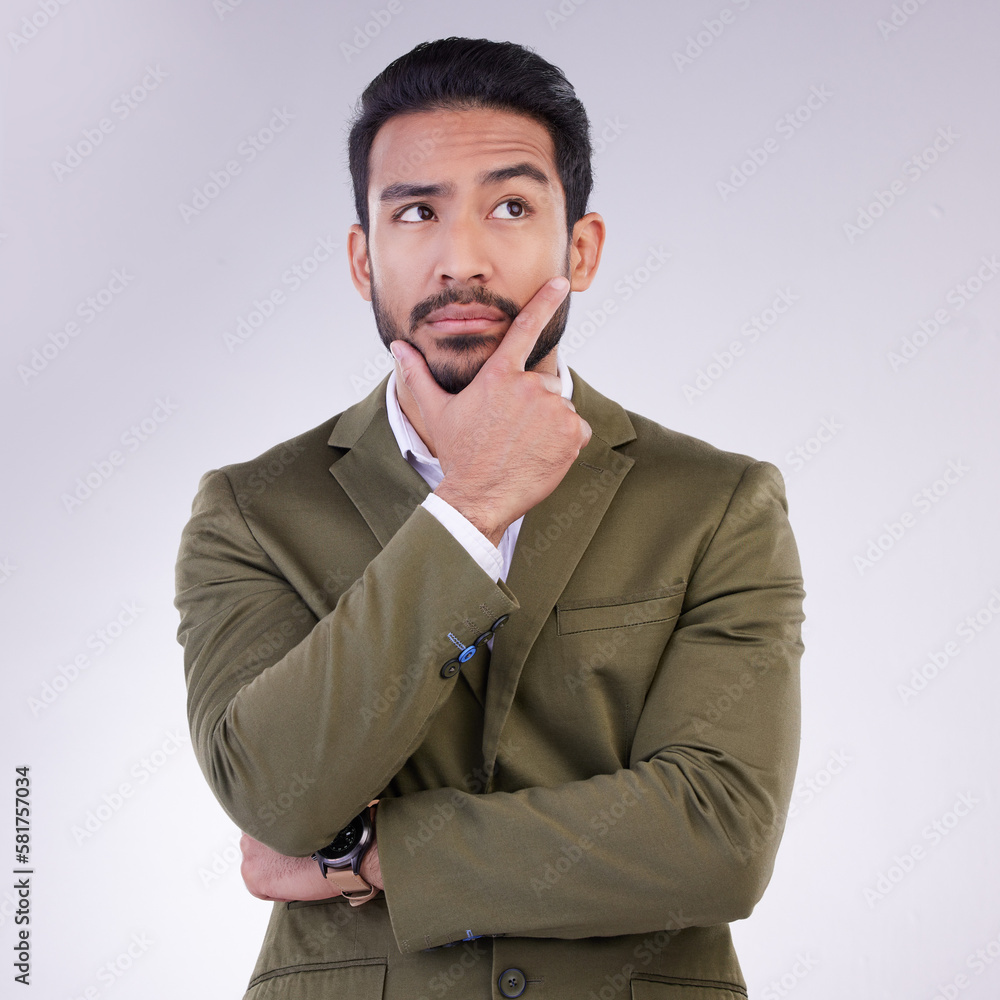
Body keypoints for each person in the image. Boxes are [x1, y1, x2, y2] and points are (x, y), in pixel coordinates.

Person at [174, 36, 805, 1000]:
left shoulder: (719, 503)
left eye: (510, 207)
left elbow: (719, 836)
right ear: (363, 256)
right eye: (417, 212)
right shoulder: (254, 512)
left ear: (579, 248)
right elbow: (277, 798)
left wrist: (374, 856)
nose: (460, 258)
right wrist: (470, 507)